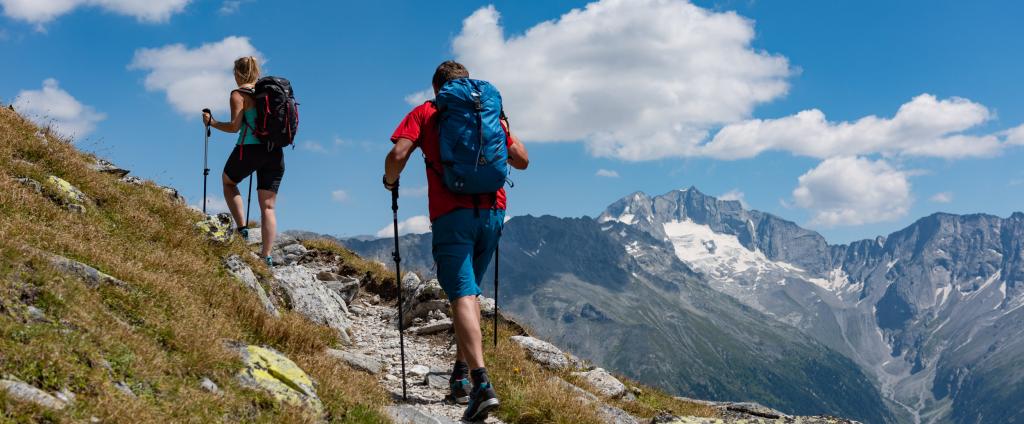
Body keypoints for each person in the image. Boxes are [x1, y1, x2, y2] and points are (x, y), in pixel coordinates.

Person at [384, 61, 529, 421]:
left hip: (452, 216)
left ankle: (481, 384)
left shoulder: (427, 112)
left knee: (462, 294)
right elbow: (523, 160)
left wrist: (389, 181)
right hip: (493, 212)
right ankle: (460, 376)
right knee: (471, 292)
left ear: (438, 88)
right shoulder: (489, 113)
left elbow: (398, 155)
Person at [202, 56, 284, 267]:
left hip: (248, 149)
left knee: (228, 182)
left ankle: (242, 230)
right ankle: (266, 256)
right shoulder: (272, 92)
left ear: (237, 73)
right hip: (275, 151)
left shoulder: (239, 94)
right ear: (256, 71)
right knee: (268, 207)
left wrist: (212, 122)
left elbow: (234, 127)